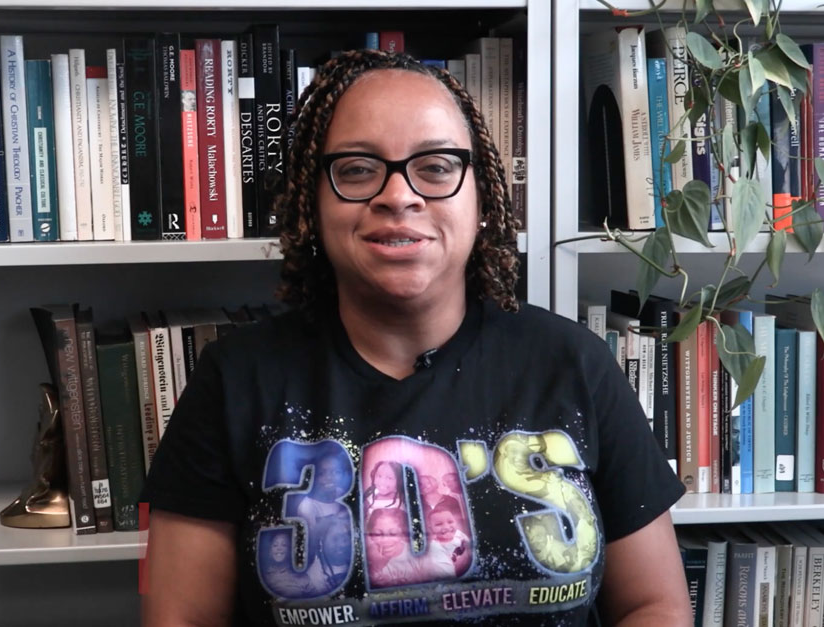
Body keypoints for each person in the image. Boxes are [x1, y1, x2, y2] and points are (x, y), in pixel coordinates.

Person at [141, 48, 691, 626]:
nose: (398, 196)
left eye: (435, 166)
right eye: (357, 169)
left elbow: (652, 605)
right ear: (313, 201)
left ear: (482, 198)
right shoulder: (235, 380)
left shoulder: (574, 363)